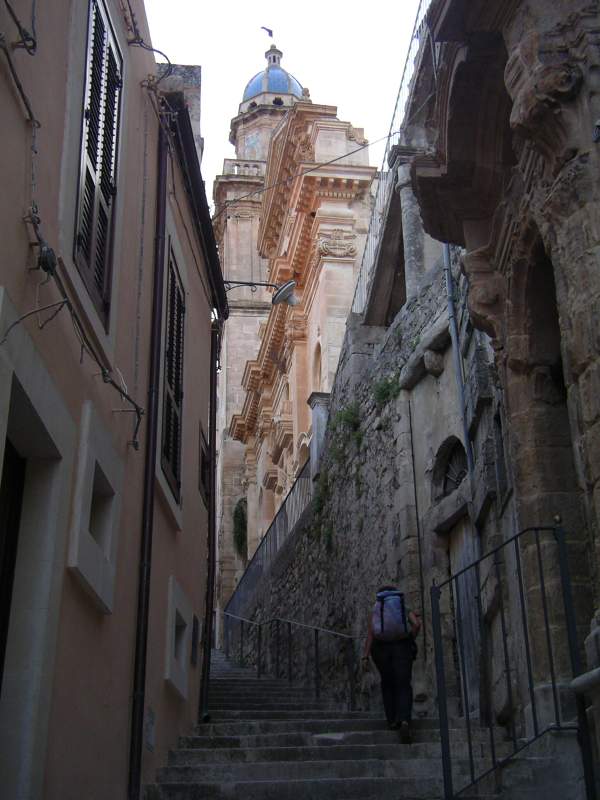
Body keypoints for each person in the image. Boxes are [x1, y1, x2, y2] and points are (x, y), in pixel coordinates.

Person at [362, 585, 421, 743]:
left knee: (387, 683)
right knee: (403, 683)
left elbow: (371, 634)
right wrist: (410, 638)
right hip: (402, 646)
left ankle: (392, 721)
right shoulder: (402, 606)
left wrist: (365, 656)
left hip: (380, 649)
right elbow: (416, 625)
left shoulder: (376, 608)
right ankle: (405, 720)